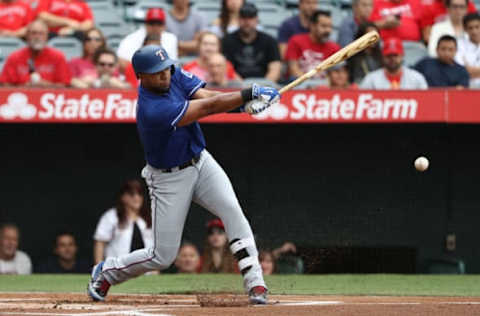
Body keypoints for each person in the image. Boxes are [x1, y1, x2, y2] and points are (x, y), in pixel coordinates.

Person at [87, 44, 280, 305]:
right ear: (141, 77)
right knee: (162, 256)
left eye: (165, 68)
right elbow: (207, 108)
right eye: (156, 72)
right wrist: (249, 92)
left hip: (201, 162)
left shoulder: (173, 73)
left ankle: (255, 282)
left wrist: (243, 106)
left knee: (232, 211)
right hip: (168, 178)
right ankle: (108, 270)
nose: (164, 74)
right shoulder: (151, 109)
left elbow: (206, 95)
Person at [93, 179, 153, 265]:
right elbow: (100, 243)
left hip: (147, 272)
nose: (137, 197)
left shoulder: (148, 218)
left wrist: (156, 269)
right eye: (132, 194)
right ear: (123, 197)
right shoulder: (111, 216)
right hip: (118, 271)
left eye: (139, 194)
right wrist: (98, 267)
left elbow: (155, 247)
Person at [0, 19, 71, 87]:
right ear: (27, 36)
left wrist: (45, 86)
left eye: (41, 33)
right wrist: (24, 87)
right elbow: (5, 84)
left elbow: (64, 84)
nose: (37, 37)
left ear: (47, 36)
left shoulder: (58, 57)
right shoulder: (15, 57)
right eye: (33, 33)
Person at [222, 2, 281, 82]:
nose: (247, 21)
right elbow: (226, 67)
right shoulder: (227, 41)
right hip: (236, 86)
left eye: (250, 18)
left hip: (265, 85)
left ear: (256, 19)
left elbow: (275, 68)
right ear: (238, 19)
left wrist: (264, 87)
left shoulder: (269, 41)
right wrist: (243, 88)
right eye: (243, 18)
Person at [285, 10, 340, 80]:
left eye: (330, 27)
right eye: (324, 26)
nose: (328, 30)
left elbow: (337, 73)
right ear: (312, 26)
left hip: (324, 88)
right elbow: (293, 68)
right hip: (299, 86)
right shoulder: (296, 41)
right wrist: (309, 83)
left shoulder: (334, 47)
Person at [360, 37, 428, 89]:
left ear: (402, 56)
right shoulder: (371, 79)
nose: (392, 59)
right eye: (389, 55)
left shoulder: (416, 78)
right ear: (383, 57)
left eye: (395, 55)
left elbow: (425, 101)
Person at [455, 13, 480, 87]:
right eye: (470, 28)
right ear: (465, 29)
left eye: (477, 27)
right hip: (467, 88)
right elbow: (462, 71)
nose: (474, 31)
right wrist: (469, 71)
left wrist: (471, 70)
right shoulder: (459, 45)